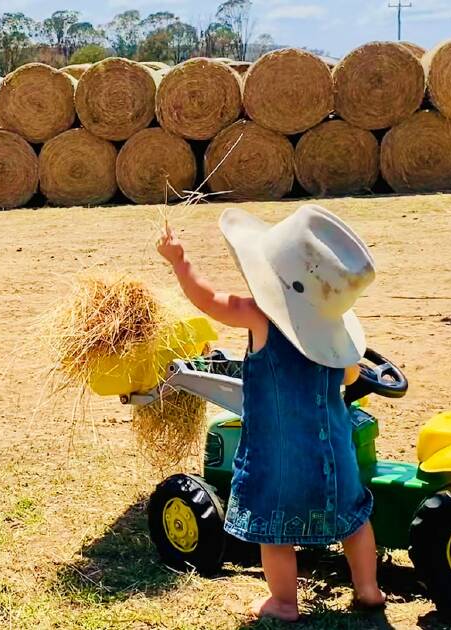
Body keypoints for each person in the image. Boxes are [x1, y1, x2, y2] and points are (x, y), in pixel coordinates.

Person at [156, 205, 385, 621]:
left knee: (275, 531)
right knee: (354, 519)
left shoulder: (258, 316)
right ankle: (368, 589)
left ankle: (283, 602)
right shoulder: (335, 339)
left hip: (277, 457)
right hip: (335, 449)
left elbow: (208, 300)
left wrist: (180, 261)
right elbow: (352, 377)